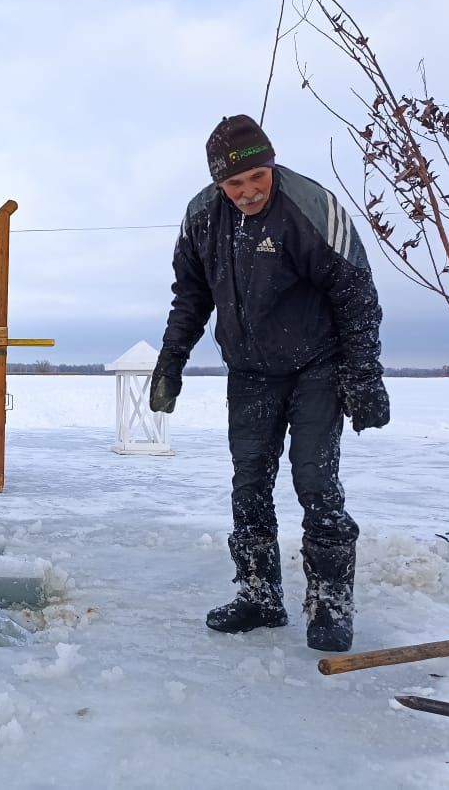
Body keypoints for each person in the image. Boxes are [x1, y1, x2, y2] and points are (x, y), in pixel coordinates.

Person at [150, 114, 389, 652]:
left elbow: (356, 294)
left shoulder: (310, 207)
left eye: (257, 177)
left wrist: (364, 375)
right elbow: (190, 298)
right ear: (218, 183)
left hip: (317, 365)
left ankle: (329, 605)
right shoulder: (200, 219)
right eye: (235, 184)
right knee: (249, 484)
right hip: (251, 372)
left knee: (315, 483)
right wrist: (171, 362)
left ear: (270, 163)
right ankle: (260, 595)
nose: (249, 191)